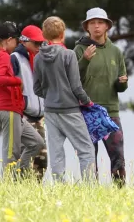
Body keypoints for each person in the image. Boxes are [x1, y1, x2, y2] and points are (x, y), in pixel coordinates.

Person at [0, 22, 46, 178]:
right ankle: (9, 183)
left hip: (3, 110)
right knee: (11, 151)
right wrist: (16, 82)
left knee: (37, 143)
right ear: (9, 40)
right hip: (8, 109)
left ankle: (17, 175)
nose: (17, 43)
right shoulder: (3, 56)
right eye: (16, 40)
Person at [33, 16, 96, 181]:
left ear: (44, 36)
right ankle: (90, 188)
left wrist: (52, 96)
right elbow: (76, 87)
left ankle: (60, 187)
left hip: (50, 111)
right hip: (70, 109)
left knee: (56, 151)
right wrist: (88, 101)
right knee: (86, 150)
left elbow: (37, 88)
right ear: (62, 34)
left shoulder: (38, 58)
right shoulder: (68, 55)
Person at [73, 8, 128, 187]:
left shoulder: (116, 52)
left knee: (118, 155)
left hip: (111, 111)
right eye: (92, 23)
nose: (96, 26)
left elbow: (122, 86)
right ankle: (91, 193)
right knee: (89, 156)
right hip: (86, 111)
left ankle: (120, 192)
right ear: (87, 27)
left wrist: (122, 82)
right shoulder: (80, 49)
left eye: (100, 22)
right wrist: (85, 60)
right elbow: (74, 80)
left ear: (107, 26)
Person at [10, 25, 47, 181]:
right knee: (28, 151)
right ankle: (21, 183)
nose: (39, 47)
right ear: (24, 41)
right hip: (24, 114)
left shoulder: (40, 58)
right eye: (36, 43)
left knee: (42, 156)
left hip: (40, 115)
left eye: (41, 43)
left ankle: (36, 188)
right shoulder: (14, 58)